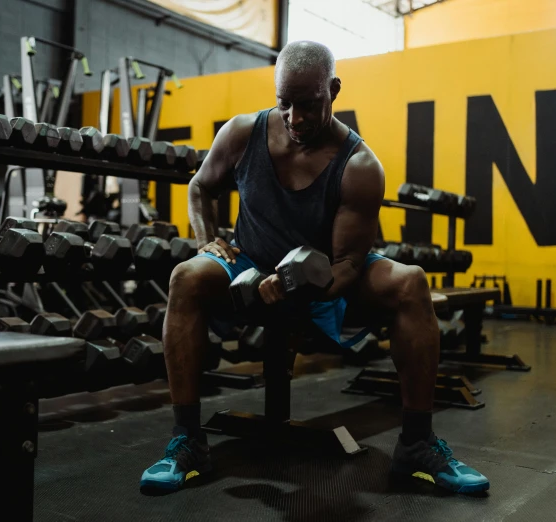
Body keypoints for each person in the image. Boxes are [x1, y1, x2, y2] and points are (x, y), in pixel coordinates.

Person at [139, 41, 489, 495]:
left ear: (334, 90)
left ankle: (417, 445)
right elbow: (200, 187)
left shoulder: (359, 165)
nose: (295, 118)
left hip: (327, 273)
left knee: (410, 282)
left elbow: (346, 265)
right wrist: (208, 239)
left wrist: (294, 286)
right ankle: (187, 442)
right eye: (285, 104)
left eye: (308, 105)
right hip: (247, 263)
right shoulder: (243, 134)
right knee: (186, 276)